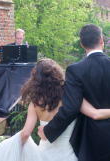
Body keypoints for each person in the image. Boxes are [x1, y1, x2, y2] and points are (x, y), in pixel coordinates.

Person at [0, 58, 110, 161]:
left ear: (36, 79)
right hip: (69, 156)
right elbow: (96, 114)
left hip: (43, 156)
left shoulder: (35, 104)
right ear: (57, 74)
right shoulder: (71, 98)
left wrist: (7, 147)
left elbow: (25, 134)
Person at [38, 24, 110, 161]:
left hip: (90, 138)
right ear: (101, 40)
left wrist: (48, 130)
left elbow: (71, 107)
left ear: (82, 44)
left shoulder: (75, 70)